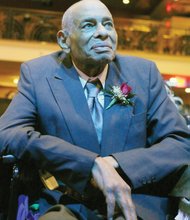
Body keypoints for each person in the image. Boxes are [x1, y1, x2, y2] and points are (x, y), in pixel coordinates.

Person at [0, 0, 190, 219]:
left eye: (108, 24)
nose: (103, 33)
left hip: (133, 202)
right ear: (64, 40)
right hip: (66, 202)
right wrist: (89, 164)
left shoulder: (143, 73)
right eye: (88, 25)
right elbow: (7, 133)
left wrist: (113, 163)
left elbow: (180, 143)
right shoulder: (38, 74)